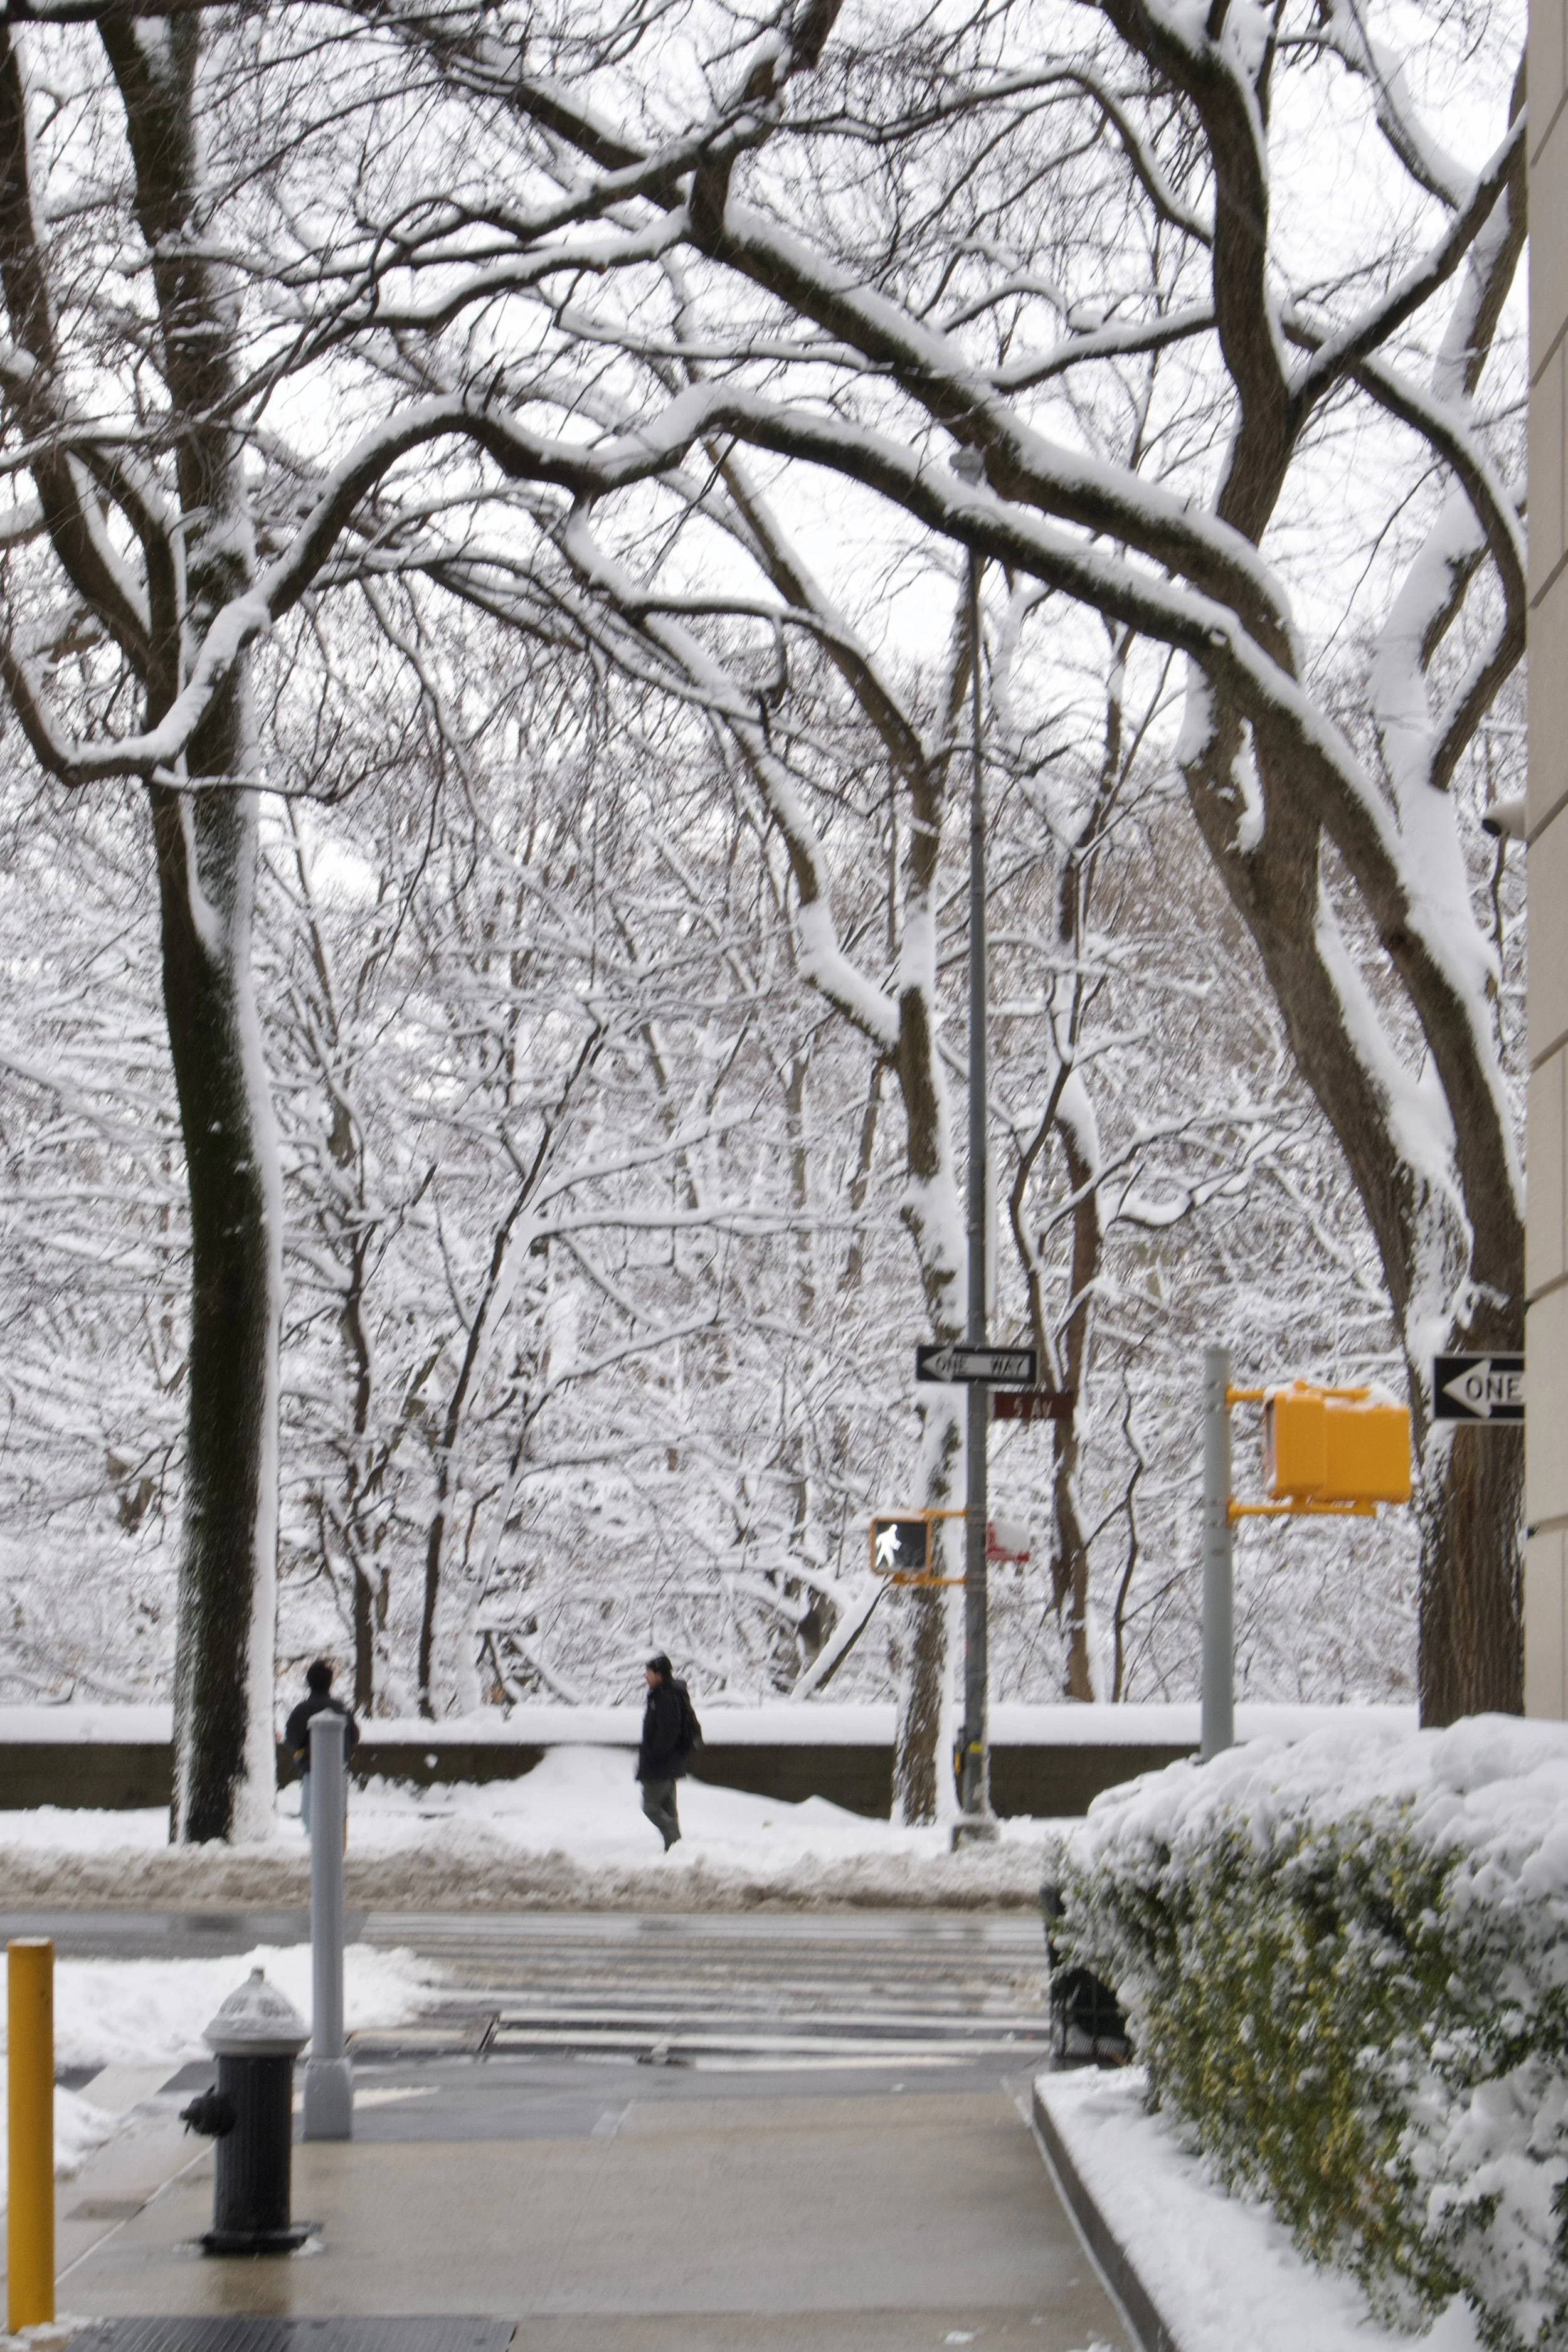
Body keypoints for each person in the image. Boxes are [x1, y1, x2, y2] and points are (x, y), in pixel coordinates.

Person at [285, 1660, 360, 1833]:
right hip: (337, 1770)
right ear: (330, 1681)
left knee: (312, 1816)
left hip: (311, 1769)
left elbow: (291, 1739)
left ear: (309, 1682)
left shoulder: (302, 1711)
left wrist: (301, 1755)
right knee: (334, 1817)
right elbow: (354, 1736)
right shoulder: (341, 1709)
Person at [637, 1653, 701, 1851]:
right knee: (668, 1809)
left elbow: (669, 1730)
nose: (646, 1677)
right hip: (669, 1763)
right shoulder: (667, 1694)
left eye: (648, 1673)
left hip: (662, 1764)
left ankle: (675, 1842)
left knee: (651, 1807)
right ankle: (675, 1851)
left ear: (659, 1675)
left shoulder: (666, 1696)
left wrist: (654, 1755)